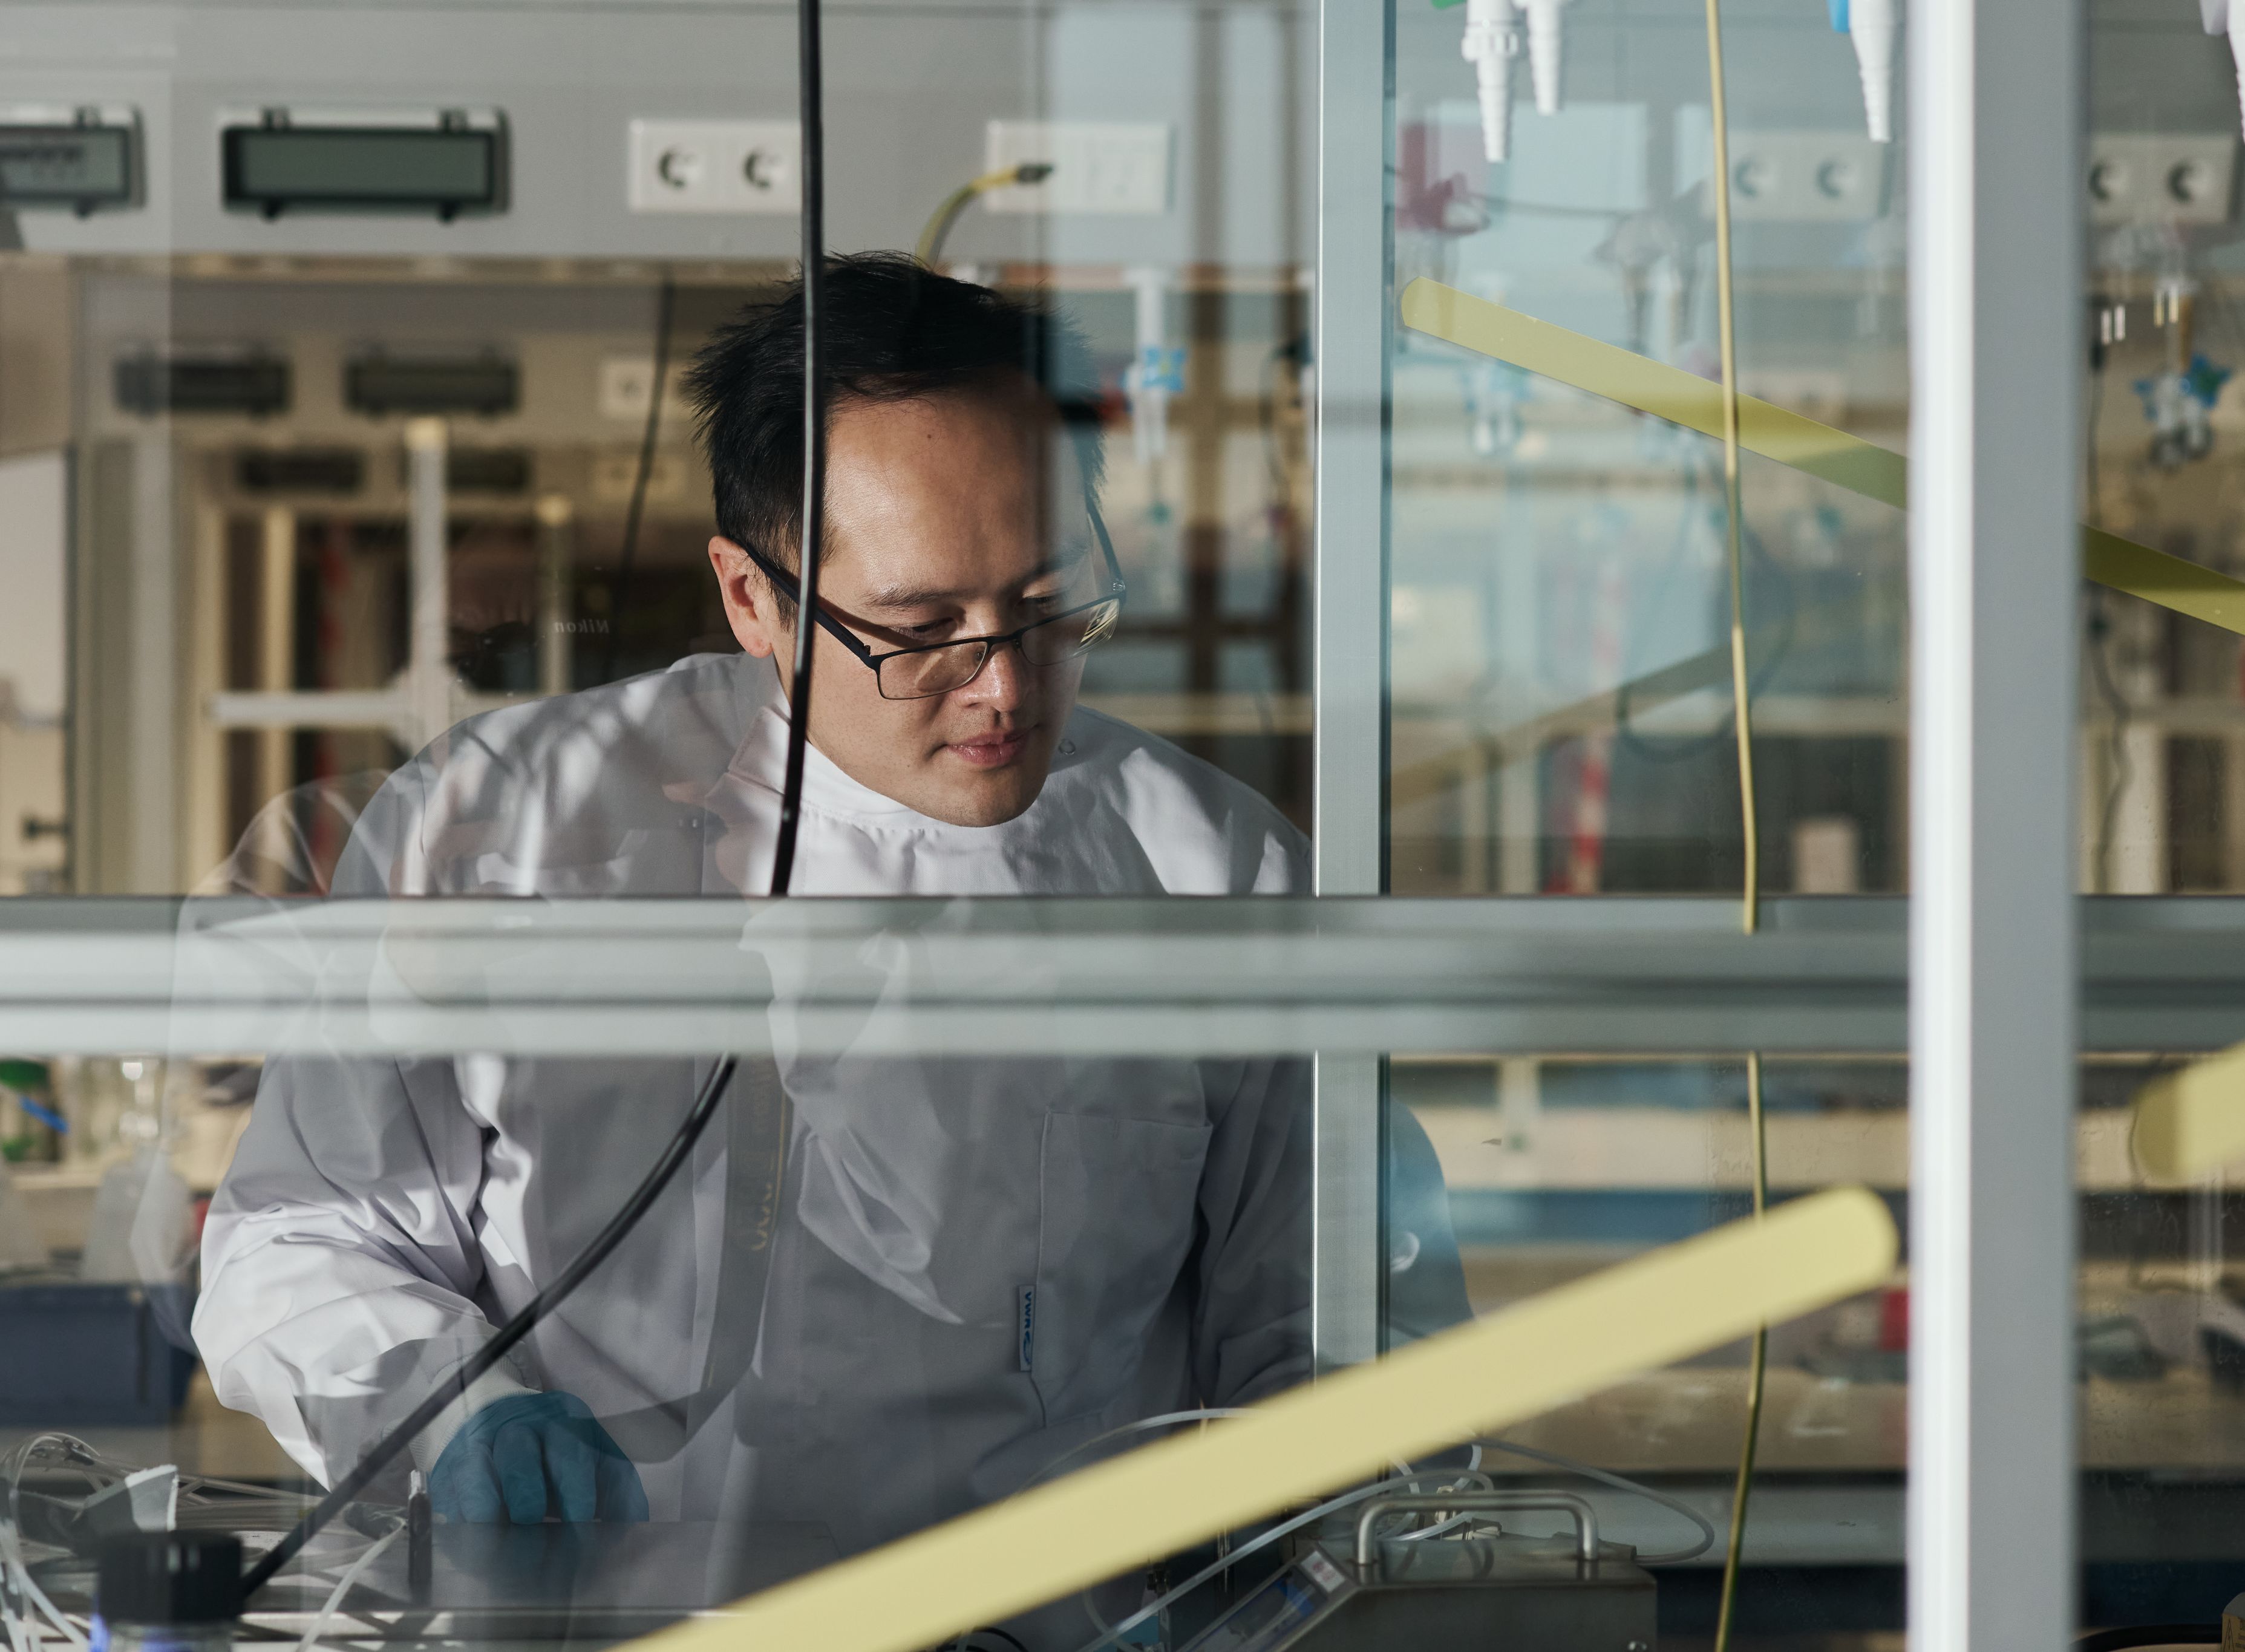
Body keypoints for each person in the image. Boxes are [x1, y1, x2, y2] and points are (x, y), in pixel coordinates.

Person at [194, 257, 1466, 1631]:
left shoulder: (1208, 871)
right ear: (751, 598)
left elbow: (1353, 1320)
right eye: (921, 631)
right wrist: (449, 1414)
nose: (1003, 684)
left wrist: (1286, 1521)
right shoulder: (504, 828)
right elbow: (295, 1244)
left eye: (1050, 604)